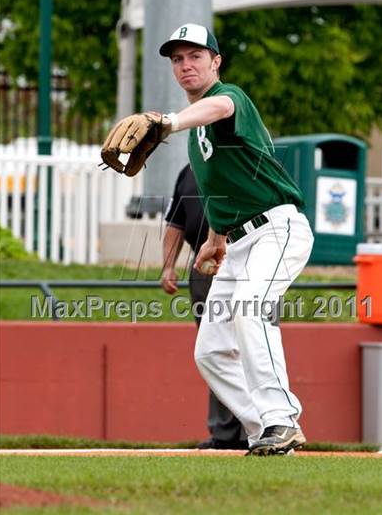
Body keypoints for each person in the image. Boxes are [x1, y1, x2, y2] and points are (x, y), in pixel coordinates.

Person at [158, 23, 314, 455]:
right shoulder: (196, 139)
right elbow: (221, 193)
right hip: (237, 243)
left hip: (277, 228)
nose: (186, 64)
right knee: (209, 351)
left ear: (216, 62)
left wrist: (168, 121)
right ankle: (265, 428)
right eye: (177, 59)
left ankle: (281, 418)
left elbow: (219, 107)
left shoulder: (229, 98)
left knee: (249, 313)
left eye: (195, 56)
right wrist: (214, 239)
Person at [161, 164, 248, 450]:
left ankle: (259, 428)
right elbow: (175, 221)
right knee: (215, 349)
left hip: (247, 259)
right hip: (205, 265)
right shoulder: (189, 171)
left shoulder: (247, 162)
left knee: (251, 344)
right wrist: (168, 266)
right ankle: (224, 434)